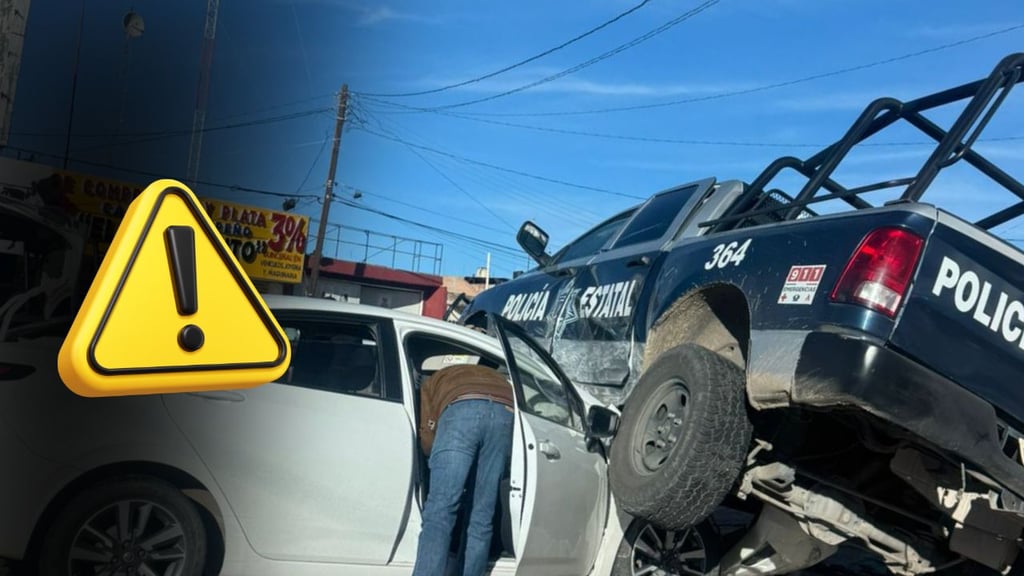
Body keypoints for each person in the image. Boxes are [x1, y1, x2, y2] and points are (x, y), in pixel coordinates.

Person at [413, 363, 515, 576]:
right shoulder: (495, 376)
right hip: (505, 409)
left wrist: (430, 456)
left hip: (461, 409)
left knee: (441, 510)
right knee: (482, 515)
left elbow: (428, 428)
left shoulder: (432, 381)